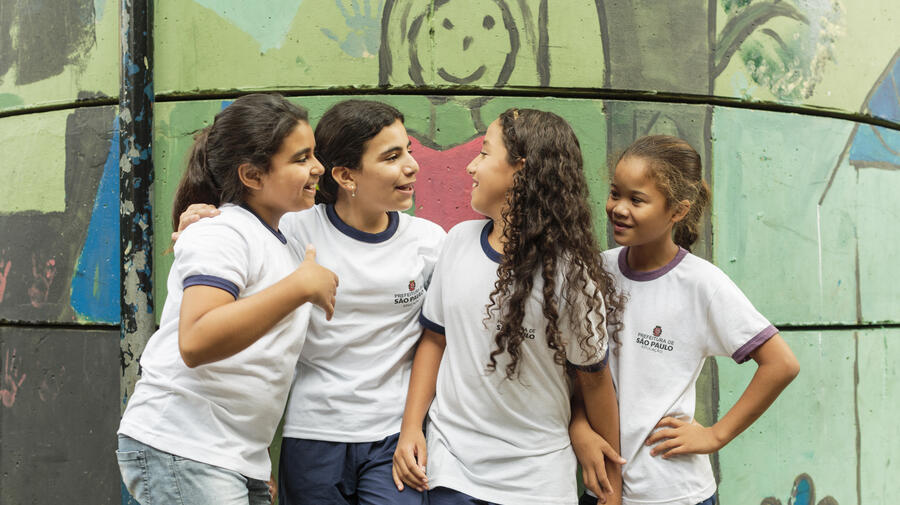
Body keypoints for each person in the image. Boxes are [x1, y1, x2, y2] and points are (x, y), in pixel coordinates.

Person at [176, 99, 445, 505]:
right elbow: (232, 286)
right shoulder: (292, 230)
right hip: (312, 434)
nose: (411, 165)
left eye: (409, 150)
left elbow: (436, 337)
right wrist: (195, 226)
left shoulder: (429, 241)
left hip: (392, 436)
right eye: (392, 156)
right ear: (346, 176)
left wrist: (413, 428)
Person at [116, 93, 339, 505]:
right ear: (253, 176)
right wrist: (300, 287)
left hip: (230, 456)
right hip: (185, 445)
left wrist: (254, 465)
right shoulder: (224, 232)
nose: (317, 168)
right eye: (300, 158)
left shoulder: (280, 237)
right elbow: (197, 340)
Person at [393, 108, 623, 505]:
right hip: (452, 469)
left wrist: (611, 485)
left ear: (521, 169)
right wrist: (411, 428)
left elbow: (595, 381)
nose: (471, 166)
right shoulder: (458, 242)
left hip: (539, 479)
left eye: (484, 153)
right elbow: (434, 340)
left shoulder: (572, 274)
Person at [570, 135, 800, 505]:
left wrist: (715, 436)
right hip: (601, 490)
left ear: (677, 211)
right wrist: (579, 426)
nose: (618, 208)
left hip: (674, 493)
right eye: (616, 193)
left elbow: (781, 364)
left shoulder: (701, 285)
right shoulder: (596, 270)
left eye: (637, 199)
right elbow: (579, 371)